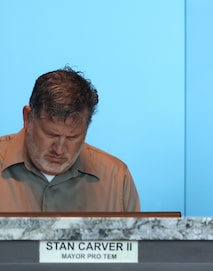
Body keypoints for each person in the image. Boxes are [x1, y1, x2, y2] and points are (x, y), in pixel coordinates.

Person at [0, 67, 140, 212]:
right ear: (28, 118)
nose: (59, 150)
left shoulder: (116, 179)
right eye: (50, 134)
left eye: (72, 137)